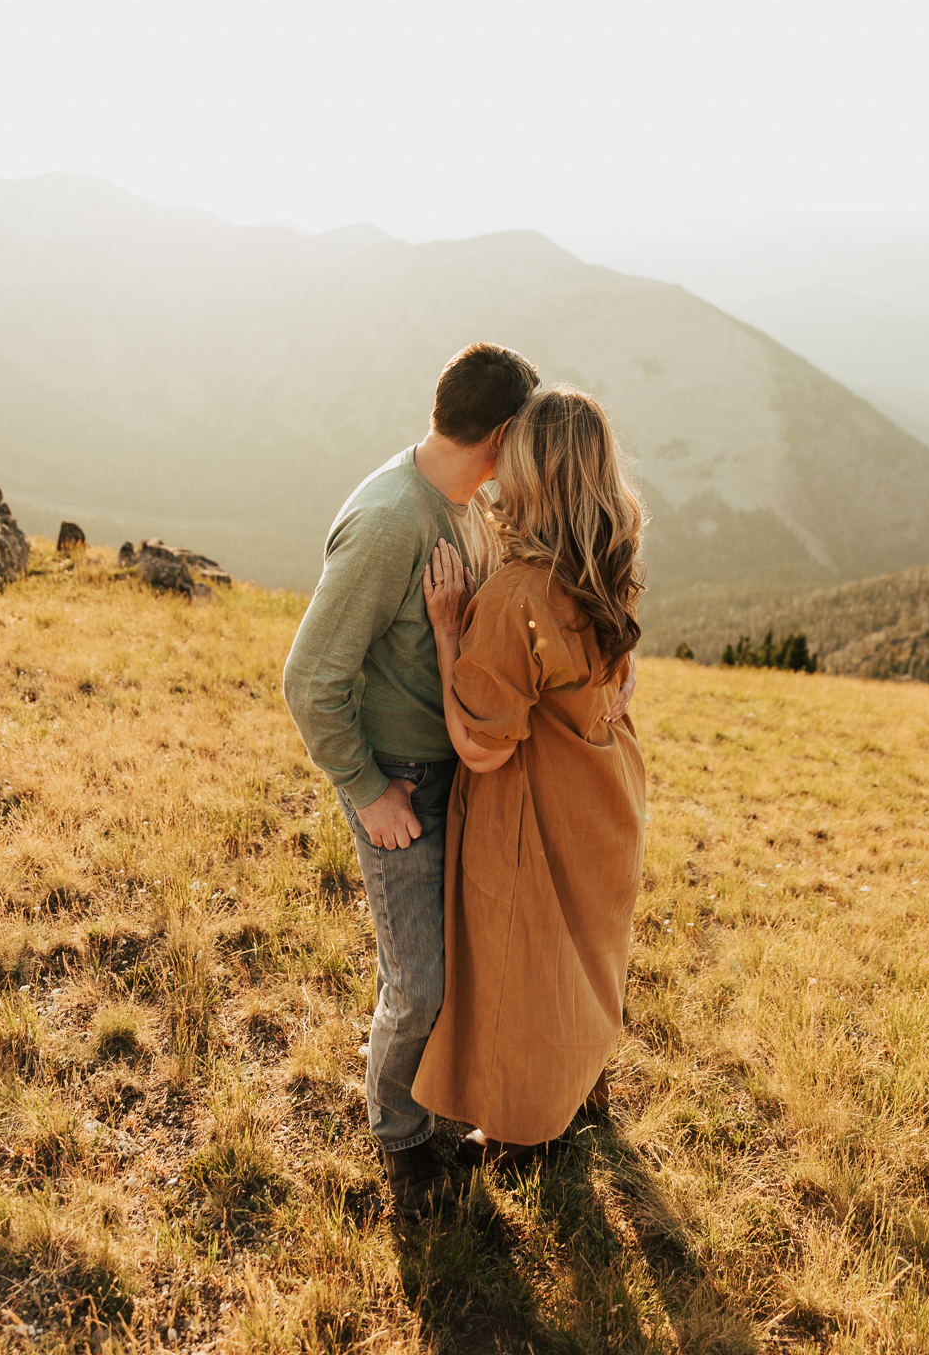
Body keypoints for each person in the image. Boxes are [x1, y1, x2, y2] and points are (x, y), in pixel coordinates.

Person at [284, 343, 554, 1216]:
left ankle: (451, 1099)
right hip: (400, 782)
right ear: (502, 433)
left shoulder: (464, 504)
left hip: (456, 776)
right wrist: (368, 790)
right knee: (420, 982)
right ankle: (400, 1139)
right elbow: (309, 679)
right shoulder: (393, 521)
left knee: (449, 965)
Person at [412, 385, 648, 1168]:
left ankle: (519, 1129)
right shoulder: (603, 565)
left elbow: (481, 744)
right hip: (606, 795)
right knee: (588, 957)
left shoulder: (516, 594)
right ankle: (583, 1085)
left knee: (527, 971)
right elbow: (621, 677)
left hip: (538, 811)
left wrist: (449, 629)